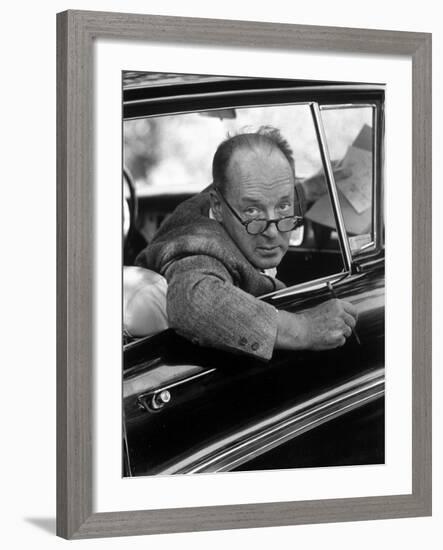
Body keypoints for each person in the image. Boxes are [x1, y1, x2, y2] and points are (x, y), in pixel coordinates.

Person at [135, 126, 357, 361]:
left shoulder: (220, 202)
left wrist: (310, 188)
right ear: (218, 206)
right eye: (252, 211)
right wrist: (302, 328)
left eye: (283, 206)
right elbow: (193, 301)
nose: (272, 231)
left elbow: (267, 196)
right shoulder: (198, 249)